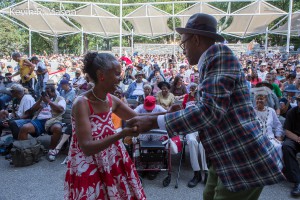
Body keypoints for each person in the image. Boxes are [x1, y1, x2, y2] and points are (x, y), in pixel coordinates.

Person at [127, 13, 284, 199]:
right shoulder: (213, 59)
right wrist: (152, 117)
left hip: (241, 157)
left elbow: (209, 112)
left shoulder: (219, 57)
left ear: (195, 39)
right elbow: (213, 107)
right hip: (225, 156)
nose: (183, 50)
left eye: (183, 44)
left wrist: (155, 122)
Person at [64, 52, 145, 199]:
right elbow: (87, 147)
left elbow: (138, 118)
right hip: (88, 166)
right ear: (101, 75)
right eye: (116, 74)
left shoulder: (110, 99)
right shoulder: (82, 103)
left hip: (111, 160)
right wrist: (121, 134)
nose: (120, 78)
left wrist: (168, 115)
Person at [253, 91, 284, 160]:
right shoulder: (251, 111)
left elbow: (278, 125)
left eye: (261, 99)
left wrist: (278, 135)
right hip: (257, 139)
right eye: (257, 99)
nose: (259, 101)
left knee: (277, 146)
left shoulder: (271, 111)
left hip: (270, 138)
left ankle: (277, 169)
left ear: (266, 100)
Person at [282, 94, 300, 197]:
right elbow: (287, 131)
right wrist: (298, 139)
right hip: (294, 138)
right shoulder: (291, 112)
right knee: (286, 146)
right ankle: (298, 182)